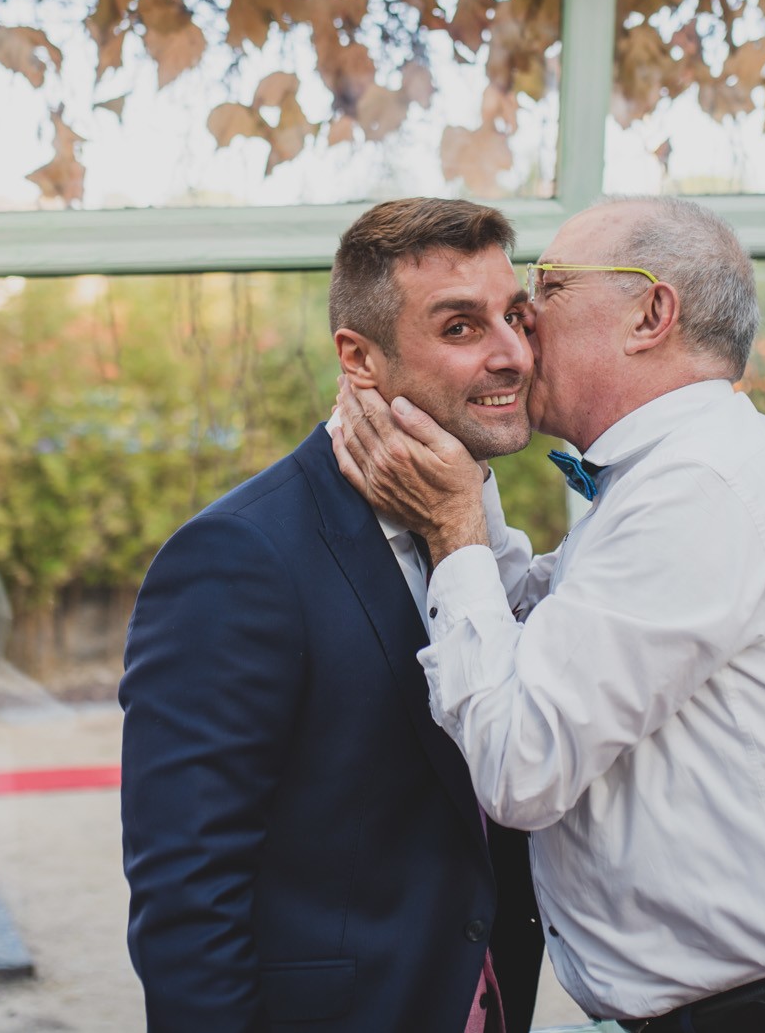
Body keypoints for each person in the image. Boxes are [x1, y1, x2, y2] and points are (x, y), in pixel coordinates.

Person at [331, 196, 765, 1033]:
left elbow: (522, 763)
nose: (522, 330)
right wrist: (467, 494)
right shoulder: (664, 476)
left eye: (543, 289)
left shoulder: (699, 487)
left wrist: (453, 529)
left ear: (651, 312)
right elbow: (536, 645)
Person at [121, 198, 544, 1033]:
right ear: (360, 358)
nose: (513, 355)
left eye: (514, 316)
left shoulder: (474, 538)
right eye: (461, 327)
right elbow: (186, 900)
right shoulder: (236, 559)